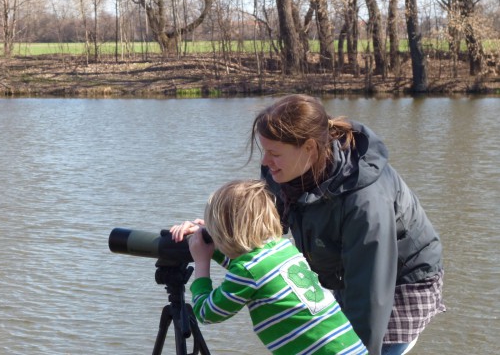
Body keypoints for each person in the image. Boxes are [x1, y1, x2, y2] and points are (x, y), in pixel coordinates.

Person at [173, 94, 445, 355]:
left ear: (310, 149)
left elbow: (370, 295)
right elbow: (261, 237)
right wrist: (215, 234)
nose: (265, 162)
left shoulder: (365, 202)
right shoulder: (283, 170)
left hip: (401, 282)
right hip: (342, 270)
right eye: (264, 151)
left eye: (273, 153)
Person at [171, 179, 368, 355]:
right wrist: (213, 247)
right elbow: (247, 268)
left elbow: (207, 313)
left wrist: (201, 261)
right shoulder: (281, 248)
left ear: (226, 231)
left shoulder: (249, 271)